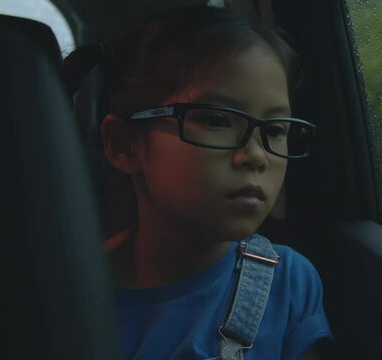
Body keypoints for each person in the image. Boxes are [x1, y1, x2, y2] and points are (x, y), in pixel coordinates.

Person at [91, 5, 332, 359]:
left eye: (276, 130)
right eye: (217, 120)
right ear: (126, 143)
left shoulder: (288, 285)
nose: (256, 155)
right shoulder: (62, 295)